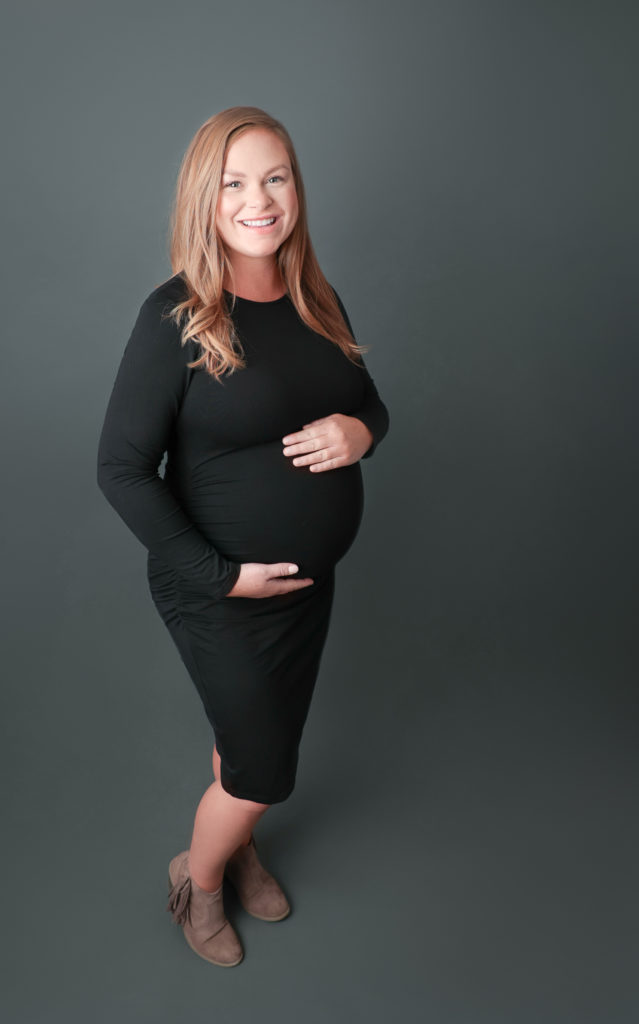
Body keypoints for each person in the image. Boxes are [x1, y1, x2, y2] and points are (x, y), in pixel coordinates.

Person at [96, 106, 389, 968]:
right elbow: (120, 471)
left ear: (294, 188)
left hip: (305, 588)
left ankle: (238, 840)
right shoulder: (177, 316)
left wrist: (361, 434)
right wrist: (222, 577)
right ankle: (202, 877)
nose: (258, 199)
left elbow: (369, 403)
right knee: (263, 768)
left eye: (274, 177)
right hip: (217, 590)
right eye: (234, 182)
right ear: (205, 197)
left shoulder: (313, 296)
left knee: (250, 742)